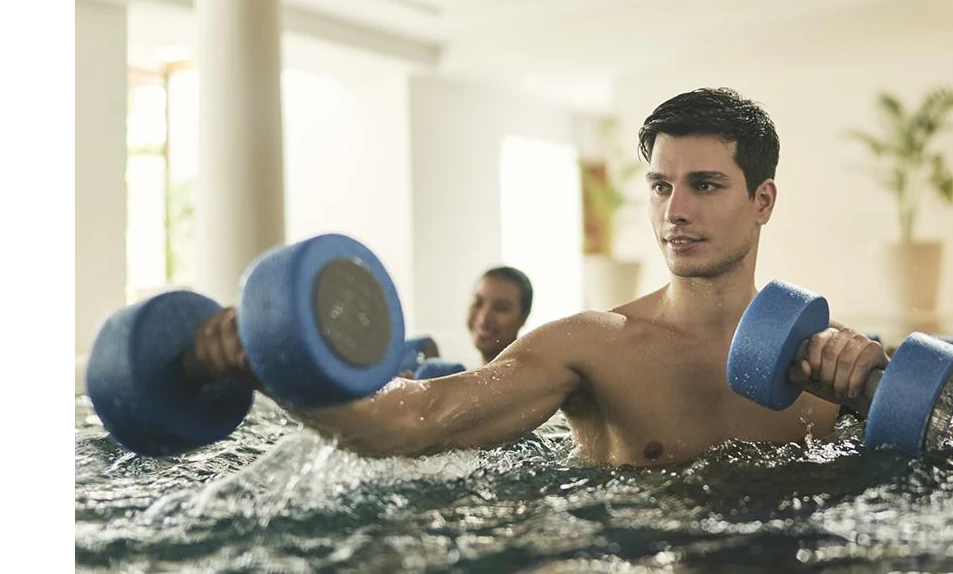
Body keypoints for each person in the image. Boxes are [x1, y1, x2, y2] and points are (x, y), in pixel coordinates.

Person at [193, 88, 885, 466]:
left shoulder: (831, 363)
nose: (675, 211)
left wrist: (875, 391)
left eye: (705, 185)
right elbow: (419, 421)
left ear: (762, 201)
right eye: (660, 186)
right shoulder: (594, 346)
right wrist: (275, 367)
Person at [467, 266, 533, 364]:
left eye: (501, 308)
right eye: (478, 302)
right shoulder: (458, 373)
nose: (484, 318)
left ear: (523, 317)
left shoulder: (534, 377)